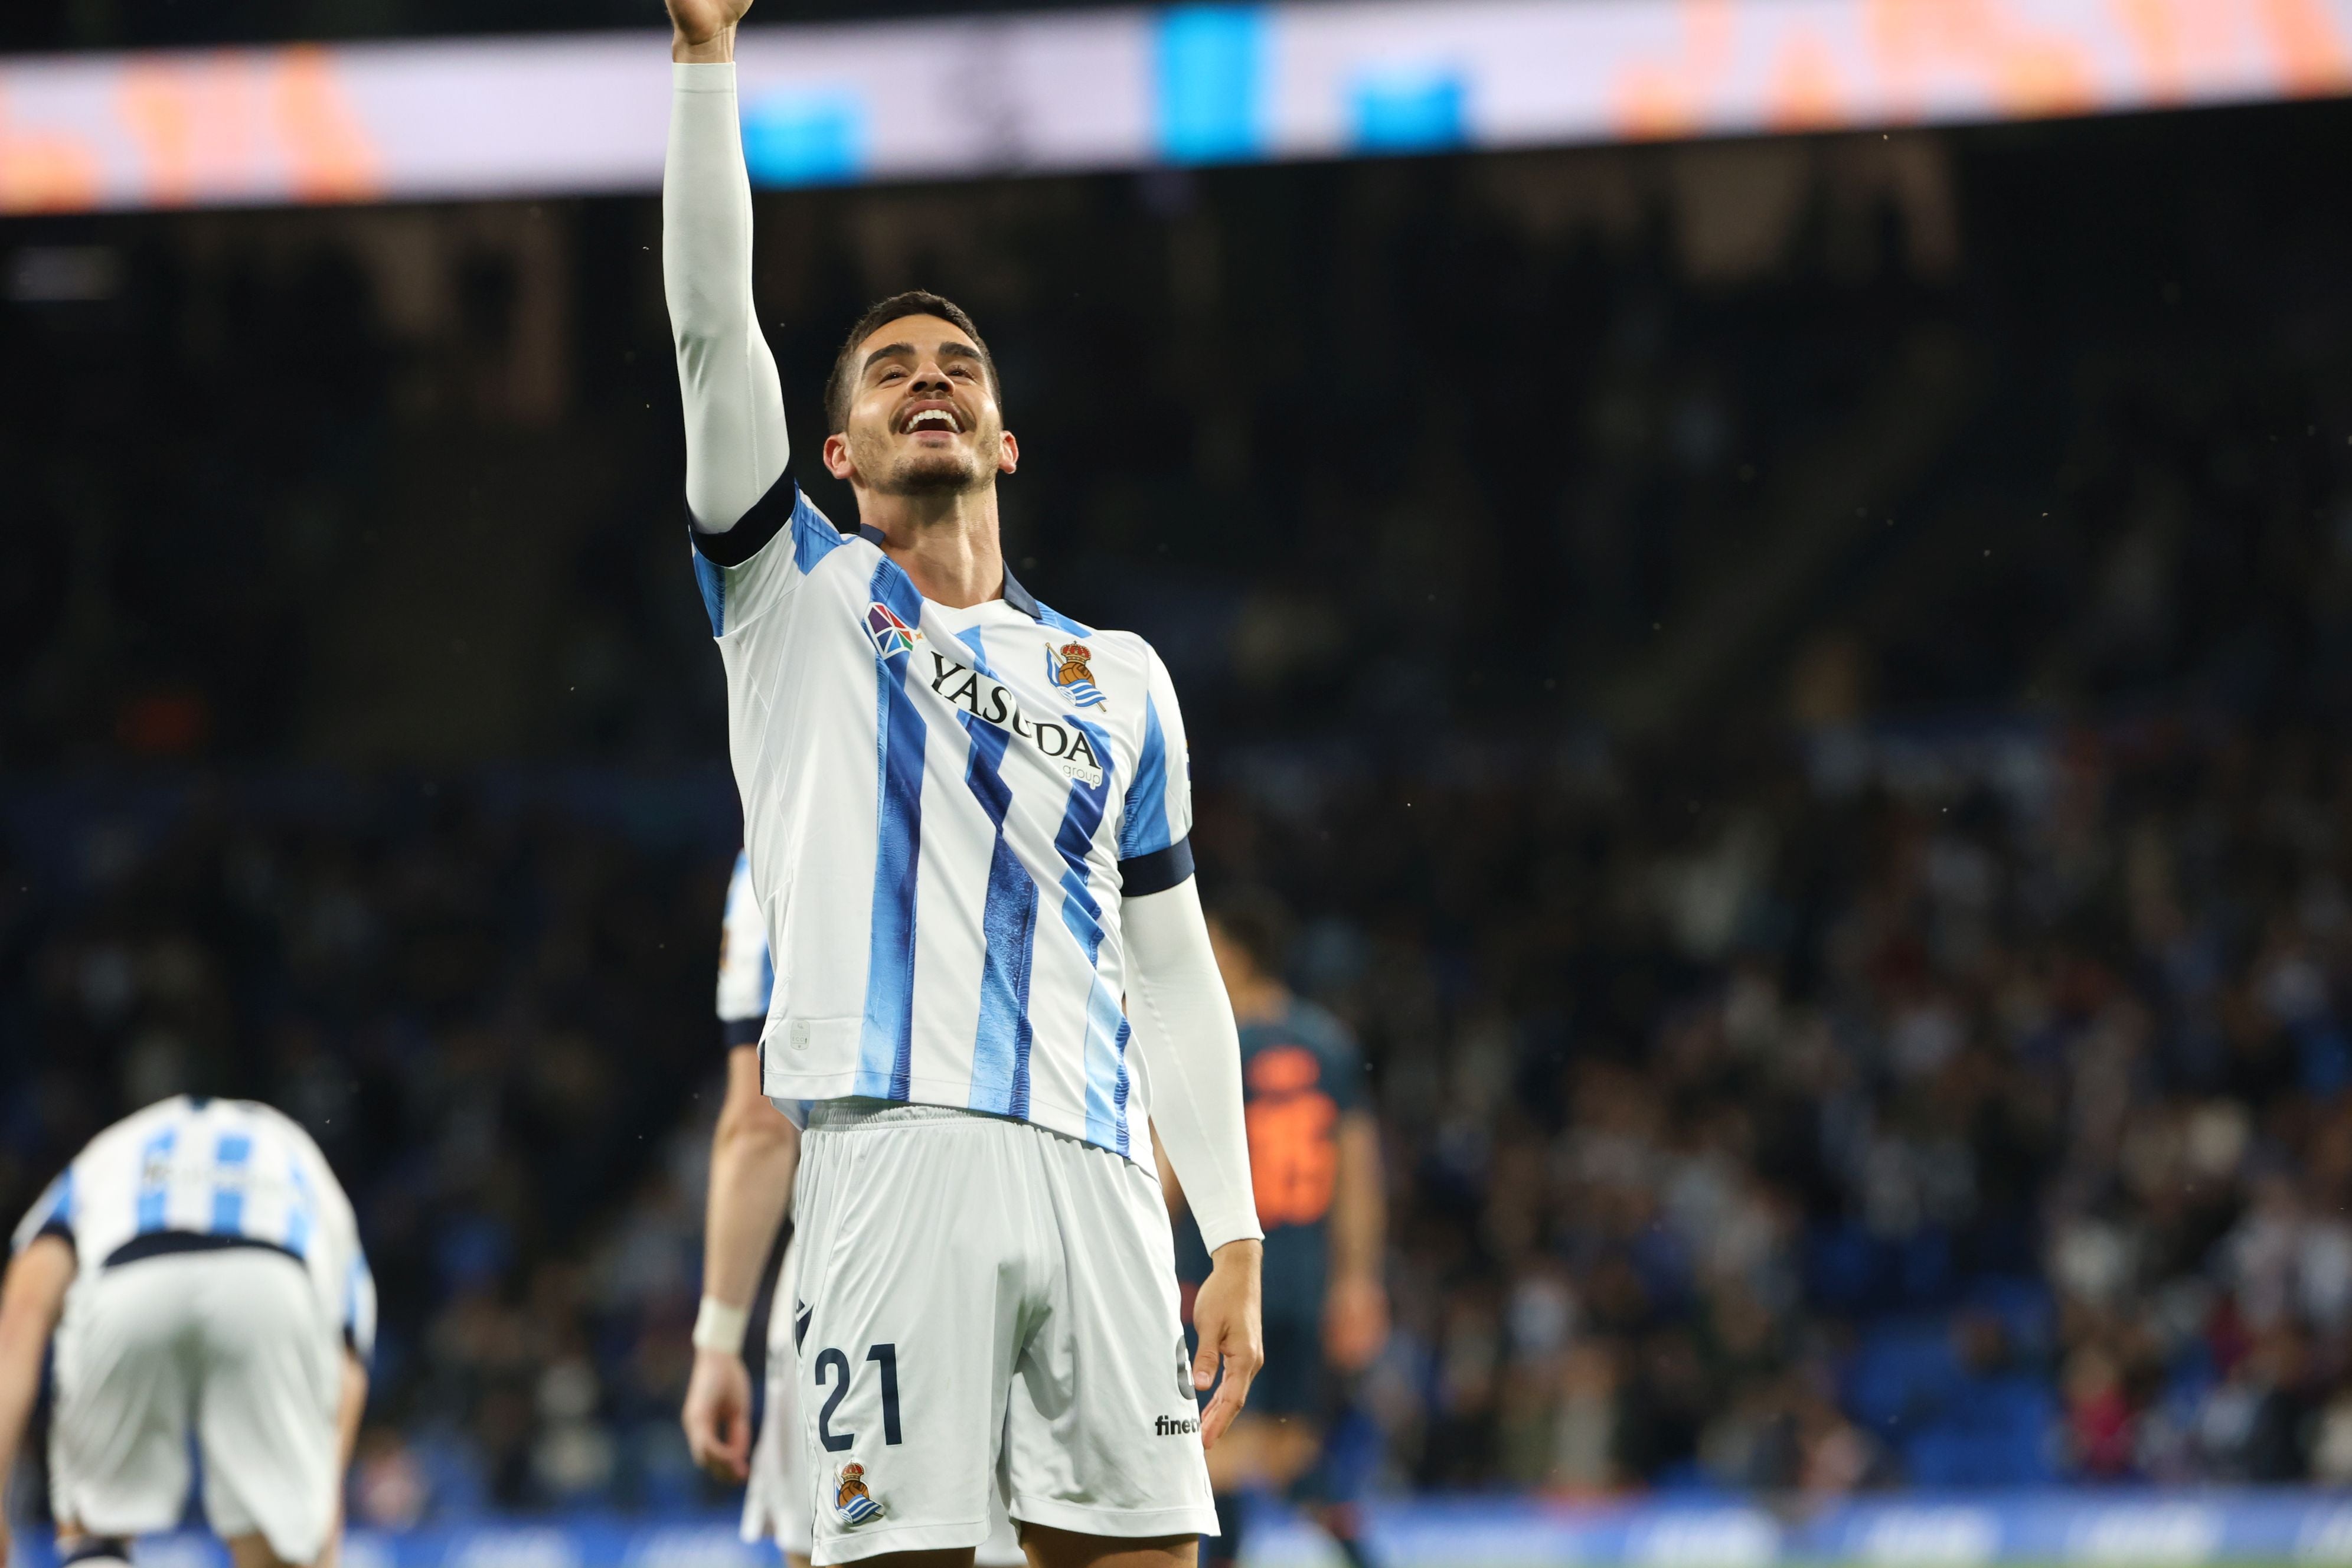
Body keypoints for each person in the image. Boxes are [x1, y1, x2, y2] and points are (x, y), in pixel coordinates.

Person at [661, 4, 1266, 1567]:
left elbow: (1171, 965)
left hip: (1099, 1172)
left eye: (959, 369)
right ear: (838, 455)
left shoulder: (1122, 678)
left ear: (1007, 440)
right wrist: (706, 65)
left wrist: (1237, 1228)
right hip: (888, 1155)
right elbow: (712, 328)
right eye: (889, 374)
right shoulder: (793, 598)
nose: (929, 382)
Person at [682, 851, 1027, 1568]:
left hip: (863, 1246)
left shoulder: (775, 859)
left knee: (853, 1542)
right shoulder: (1039, 785)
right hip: (1042, 1220)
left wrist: (718, 1339)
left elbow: (757, 1124)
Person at [0, 1096, 373, 1568]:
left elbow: (23, 1314)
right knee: (278, 1550)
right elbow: (347, 1363)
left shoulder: (107, 1153)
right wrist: (318, 1524)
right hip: (272, 1276)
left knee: (95, 1532)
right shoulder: (302, 1158)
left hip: (130, 1270)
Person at [1170, 894, 1388, 1568]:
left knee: (1212, 1444)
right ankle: (1359, 1548)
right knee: (1289, 1445)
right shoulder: (1329, 1044)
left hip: (1222, 1273)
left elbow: (1168, 1170)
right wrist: (1357, 1279)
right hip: (1303, 1279)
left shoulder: (1208, 1041)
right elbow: (1358, 1173)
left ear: (1232, 953)